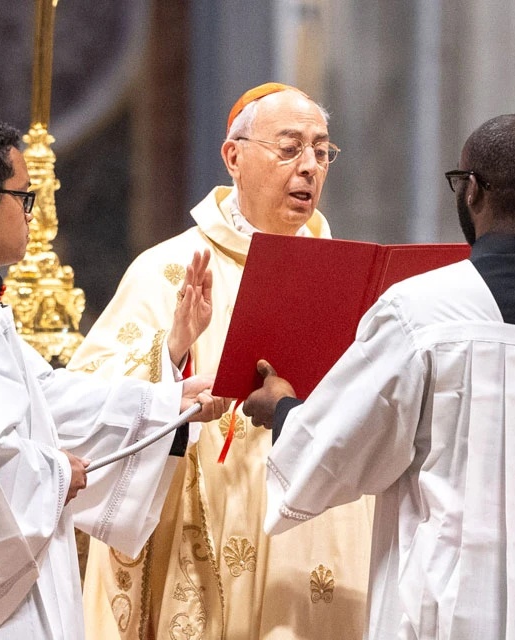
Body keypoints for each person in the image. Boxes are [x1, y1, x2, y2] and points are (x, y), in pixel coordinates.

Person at [244, 114, 515, 639]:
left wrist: (285, 411)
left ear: (471, 190)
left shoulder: (425, 310)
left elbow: (345, 444)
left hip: (454, 606)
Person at [0, 117, 229, 639]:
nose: (32, 216)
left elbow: (43, 398)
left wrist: (169, 400)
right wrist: (56, 474)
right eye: (24, 199)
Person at [67, 83, 375, 639]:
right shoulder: (170, 268)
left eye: (321, 151)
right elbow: (87, 394)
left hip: (314, 527)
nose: (309, 167)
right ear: (234, 156)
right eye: (289, 148)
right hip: (203, 517)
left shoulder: (349, 277)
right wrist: (173, 354)